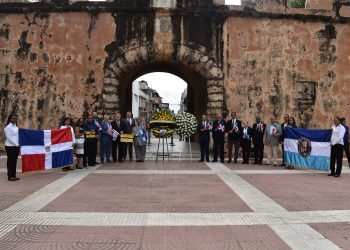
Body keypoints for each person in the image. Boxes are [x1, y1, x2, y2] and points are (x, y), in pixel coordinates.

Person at [4, 114, 20, 181]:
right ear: (10, 119)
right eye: (13, 118)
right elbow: (9, 138)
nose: (15, 119)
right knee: (10, 161)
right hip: (10, 146)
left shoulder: (15, 126)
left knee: (14, 161)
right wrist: (16, 144)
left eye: (16, 118)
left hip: (16, 146)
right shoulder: (8, 127)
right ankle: (10, 176)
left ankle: (14, 175)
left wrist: (18, 144)